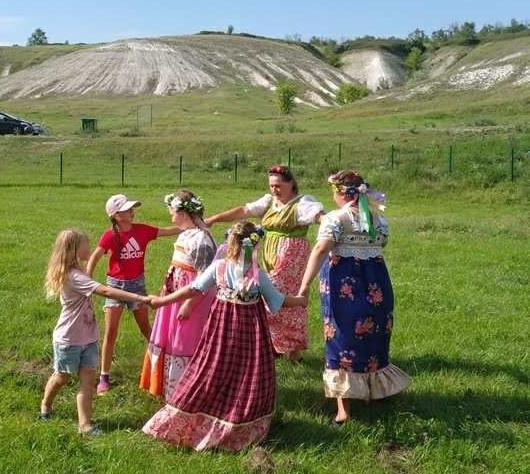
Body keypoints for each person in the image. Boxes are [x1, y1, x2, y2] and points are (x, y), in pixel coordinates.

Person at [142, 221, 309, 451]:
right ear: (256, 244)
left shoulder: (219, 267)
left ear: (230, 242)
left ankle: (196, 417)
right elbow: (276, 302)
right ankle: (238, 425)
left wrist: (162, 300)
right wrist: (301, 300)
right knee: (248, 374)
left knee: (211, 367)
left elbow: (194, 288)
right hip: (250, 333)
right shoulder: (257, 275)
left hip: (220, 330)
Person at [298, 170, 411, 425]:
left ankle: (344, 408)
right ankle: (371, 393)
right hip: (376, 282)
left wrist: (304, 285)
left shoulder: (335, 219)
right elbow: (380, 247)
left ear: (340, 193)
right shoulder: (379, 220)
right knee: (373, 335)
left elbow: (321, 248)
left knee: (341, 336)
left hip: (343, 282)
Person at [205, 165, 324, 362]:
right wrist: (214, 219)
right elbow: (245, 210)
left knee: (278, 297)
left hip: (292, 256)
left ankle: (290, 349)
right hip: (270, 254)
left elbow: (321, 218)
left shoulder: (302, 203)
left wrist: (334, 225)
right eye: (271, 186)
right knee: (279, 298)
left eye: (278, 185)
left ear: (291, 183)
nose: (274, 190)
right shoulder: (270, 201)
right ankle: (281, 346)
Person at [40, 228, 152, 436]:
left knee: (88, 379)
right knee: (62, 376)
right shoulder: (74, 277)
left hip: (88, 337)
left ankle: (85, 424)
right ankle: (46, 405)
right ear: (75, 250)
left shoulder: (79, 270)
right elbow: (106, 291)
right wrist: (139, 298)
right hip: (69, 339)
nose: (90, 249)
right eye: (86, 245)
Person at [87, 194, 182, 396]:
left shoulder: (142, 230)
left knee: (147, 329)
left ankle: (164, 368)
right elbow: (95, 256)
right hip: (115, 288)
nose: (132, 210)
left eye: (132, 207)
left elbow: (169, 230)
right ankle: (104, 376)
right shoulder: (110, 236)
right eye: (127, 209)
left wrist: (195, 223)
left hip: (137, 287)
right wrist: (87, 281)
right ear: (116, 216)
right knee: (111, 333)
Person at [140, 189, 217, 400]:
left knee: (185, 341)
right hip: (176, 295)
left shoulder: (201, 239)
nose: (170, 216)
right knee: (172, 338)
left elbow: (204, 277)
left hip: (191, 299)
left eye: (172, 212)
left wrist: (189, 305)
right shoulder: (187, 233)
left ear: (183, 212)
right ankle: (170, 387)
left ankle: (186, 391)